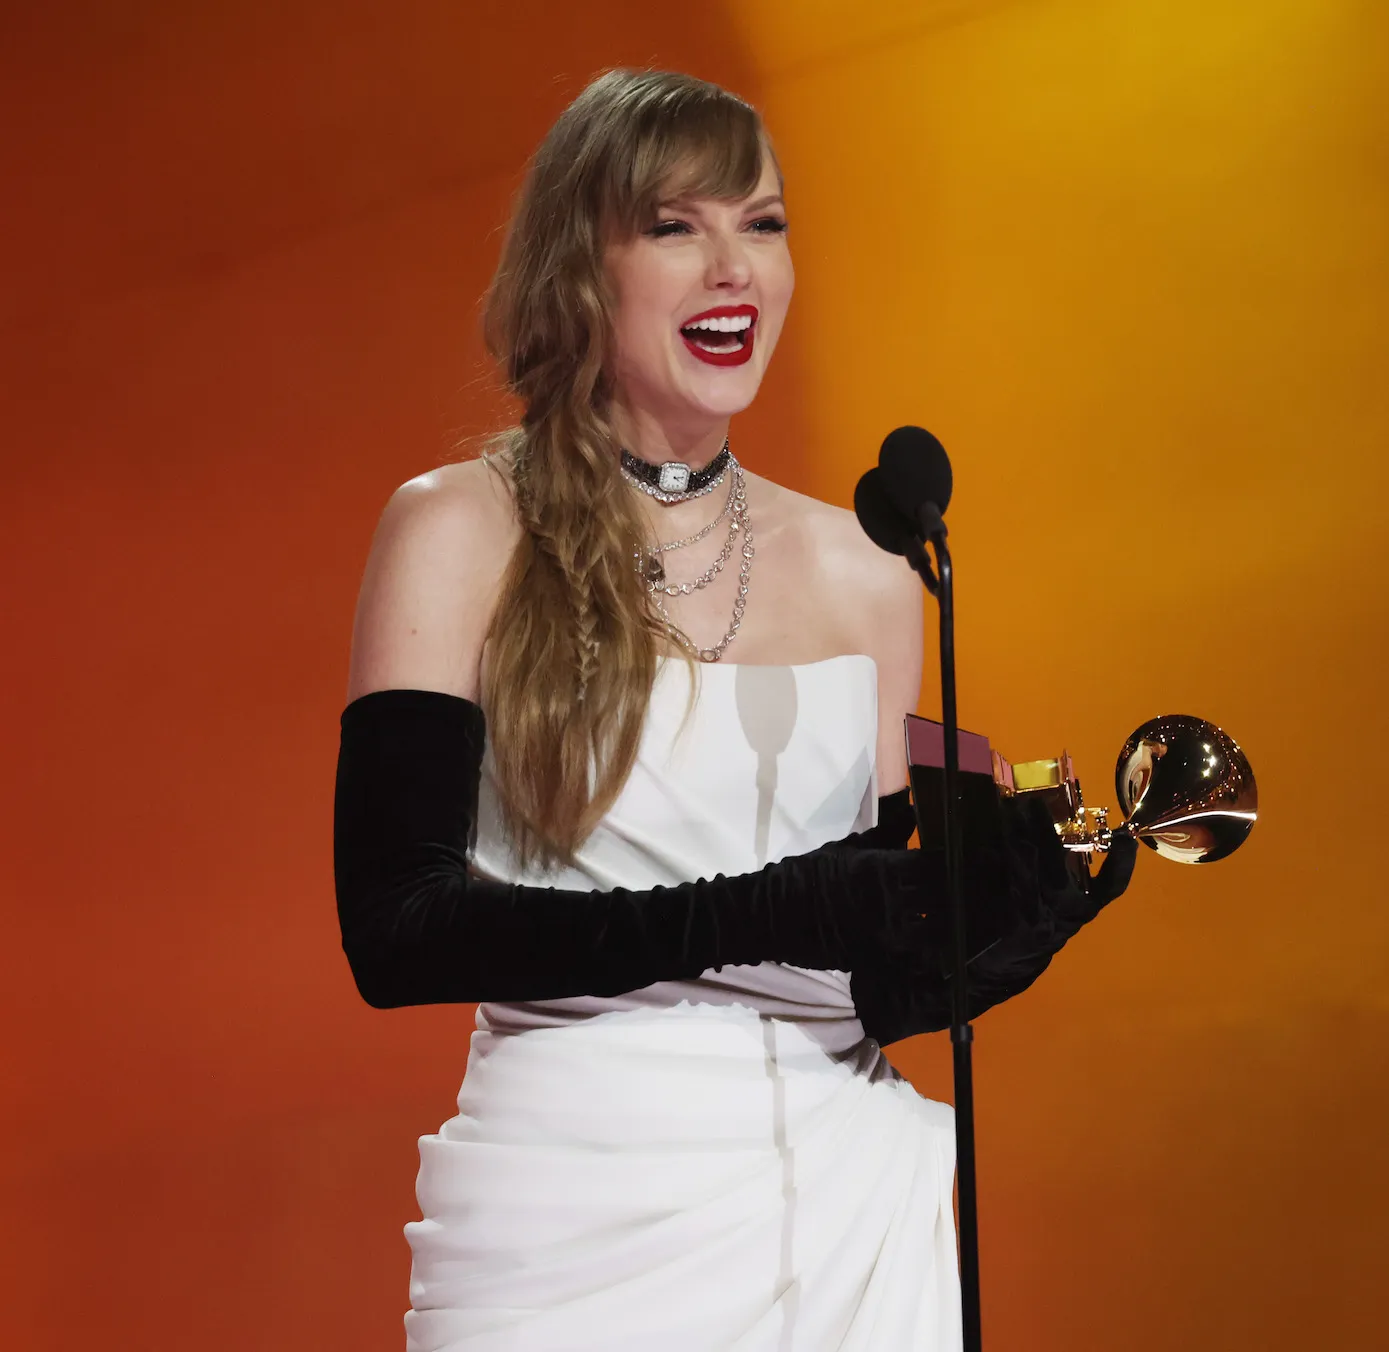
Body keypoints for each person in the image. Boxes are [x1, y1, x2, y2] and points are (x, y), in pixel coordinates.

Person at [332, 69, 1136, 1351]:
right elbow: (395, 929)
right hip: (570, 1223)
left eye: (761, 223)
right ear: (574, 268)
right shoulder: (458, 528)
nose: (734, 268)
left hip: (845, 1217)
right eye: (674, 225)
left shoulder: (873, 575)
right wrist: (771, 908)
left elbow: (858, 970)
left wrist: (996, 935)